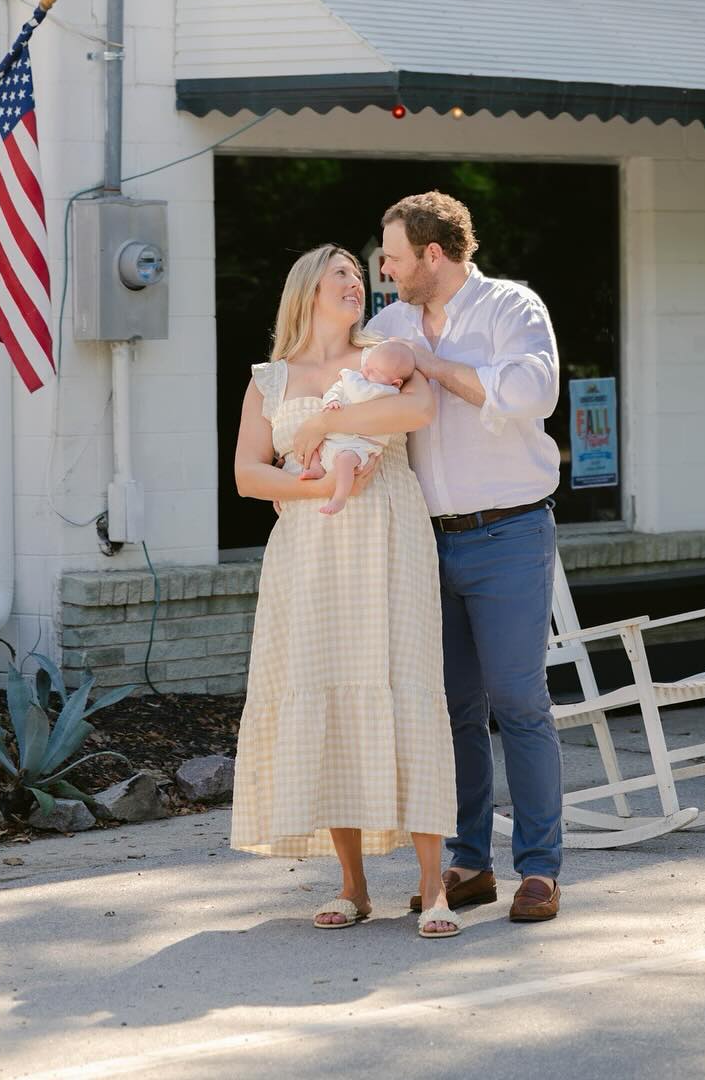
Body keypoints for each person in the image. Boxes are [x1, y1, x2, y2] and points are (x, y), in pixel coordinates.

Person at [230, 245, 461, 939]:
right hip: (309, 547)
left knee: (407, 684)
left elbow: (419, 411)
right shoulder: (269, 380)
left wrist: (325, 426)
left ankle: (433, 886)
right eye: (343, 274)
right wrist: (314, 488)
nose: (357, 282)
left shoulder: (384, 355)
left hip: (389, 535)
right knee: (327, 686)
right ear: (308, 289)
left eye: (359, 276)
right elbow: (247, 475)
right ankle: (353, 886)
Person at [357, 191, 565, 924]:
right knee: (451, 709)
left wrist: (432, 366)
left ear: (433, 255)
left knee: (518, 702)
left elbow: (532, 393)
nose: (384, 270)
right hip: (422, 539)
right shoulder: (388, 325)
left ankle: (539, 869)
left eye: (392, 258)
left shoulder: (512, 308)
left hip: (509, 534)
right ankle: (470, 862)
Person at [296, 339, 418, 517]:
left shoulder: (387, 392)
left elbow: (359, 394)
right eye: (366, 365)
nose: (365, 371)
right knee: (315, 444)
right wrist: (332, 400)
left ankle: (340, 497)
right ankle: (316, 467)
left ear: (395, 383)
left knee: (345, 460)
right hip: (336, 439)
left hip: (360, 445)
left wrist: (347, 375)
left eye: (373, 371)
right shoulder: (359, 379)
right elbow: (336, 389)